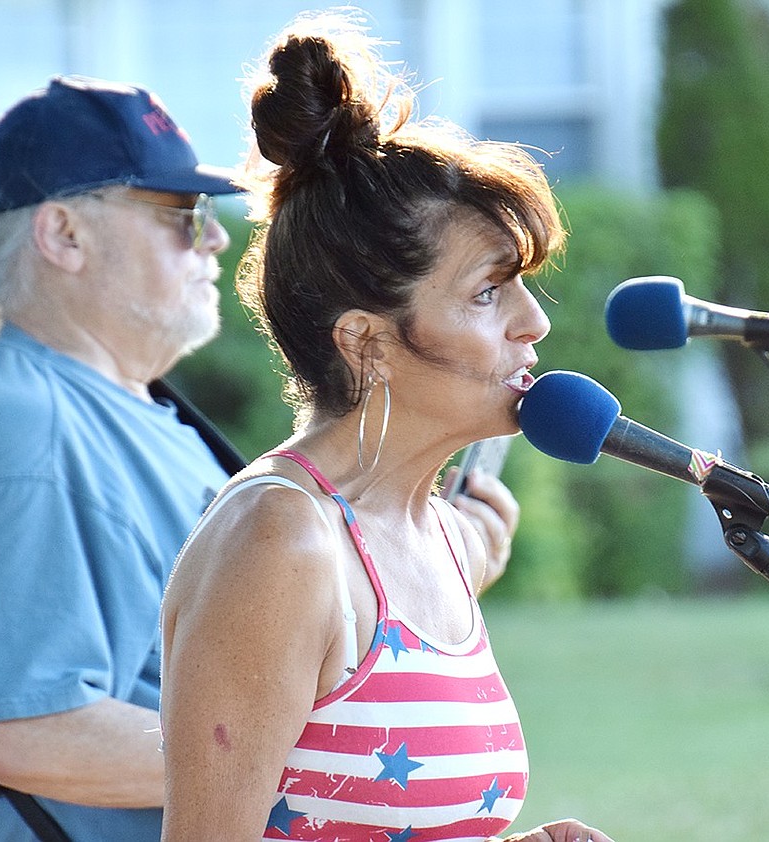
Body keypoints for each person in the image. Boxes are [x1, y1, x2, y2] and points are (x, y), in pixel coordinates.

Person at [0, 73, 520, 842]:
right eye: (181, 217)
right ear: (64, 236)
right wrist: (306, 733)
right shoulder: (26, 426)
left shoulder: (113, 403)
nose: (216, 237)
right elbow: (22, 729)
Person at [160, 12, 616, 842]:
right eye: (487, 292)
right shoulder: (279, 541)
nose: (533, 324)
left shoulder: (435, 527)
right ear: (366, 342)